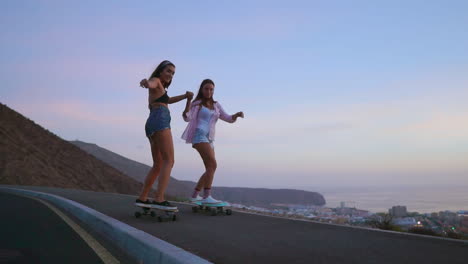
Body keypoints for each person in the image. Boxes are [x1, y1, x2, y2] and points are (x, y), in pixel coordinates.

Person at [135, 60, 193, 209]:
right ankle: (159, 199)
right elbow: (151, 83)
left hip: (151, 123)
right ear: (160, 71)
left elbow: (168, 100)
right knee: (169, 160)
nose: (170, 74)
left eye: (173, 73)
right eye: (168, 71)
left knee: (158, 164)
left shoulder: (161, 90)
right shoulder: (156, 81)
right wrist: (146, 83)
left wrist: (186, 97)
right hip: (160, 120)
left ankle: (143, 197)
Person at [181, 79, 244, 204]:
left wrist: (236, 115)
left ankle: (194, 195)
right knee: (213, 165)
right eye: (206, 88)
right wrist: (188, 102)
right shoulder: (197, 104)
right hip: (199, 135)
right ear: (202, 89)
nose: (209, 91)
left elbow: (228, 118)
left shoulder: (216, 105)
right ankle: (206, 196)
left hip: (210, 138)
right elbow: (187, 117)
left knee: (210, 168)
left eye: (211, 89)